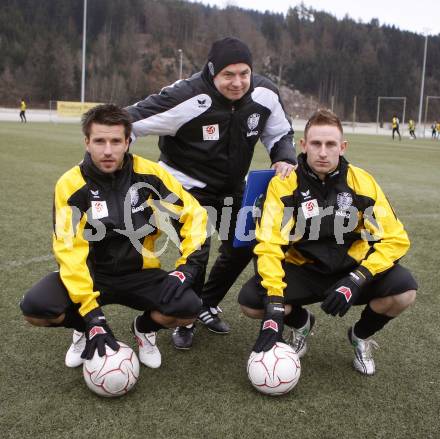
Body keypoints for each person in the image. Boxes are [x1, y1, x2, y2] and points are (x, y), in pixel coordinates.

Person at [126, 37, 297, 349]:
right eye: (228, 75)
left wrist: (284, 156)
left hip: (232, 187)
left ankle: (205, 303)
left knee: (243, 245)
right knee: (198, 247)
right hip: (186, 185)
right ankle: (186, 317)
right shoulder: (186, 96)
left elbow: (281, 132)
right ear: (212, 71)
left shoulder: (265, 94)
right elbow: (129, 121)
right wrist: (118, 165)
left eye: (244, 73)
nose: (237, 82)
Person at [20, 104, 209, 370]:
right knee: (36, 307)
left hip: (139, 272)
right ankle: (84, 329)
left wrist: (187, 267)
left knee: (188, 306)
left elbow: (194, 215)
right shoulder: (71, 184)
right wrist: (91, 315)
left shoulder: (150, 174)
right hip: (92, 273)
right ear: (87, 142)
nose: (107, 150)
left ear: (128, 142)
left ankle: (143, 329)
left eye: (116, 141)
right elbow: (69, 250)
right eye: (99, 141)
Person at [239, 109, 417, 376]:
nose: (323, 152)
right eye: (316, 144)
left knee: (405, 291)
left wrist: (357, 278)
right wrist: (275, 302)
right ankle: (301, 324)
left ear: (342, 147)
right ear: (304, 145)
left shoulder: (362, 182)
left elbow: (395, 239)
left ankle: (360, 336)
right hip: (304, 269)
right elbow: (269, 244)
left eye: (330, 144)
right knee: (251, 302)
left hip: (350, 269)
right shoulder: (285, 184)